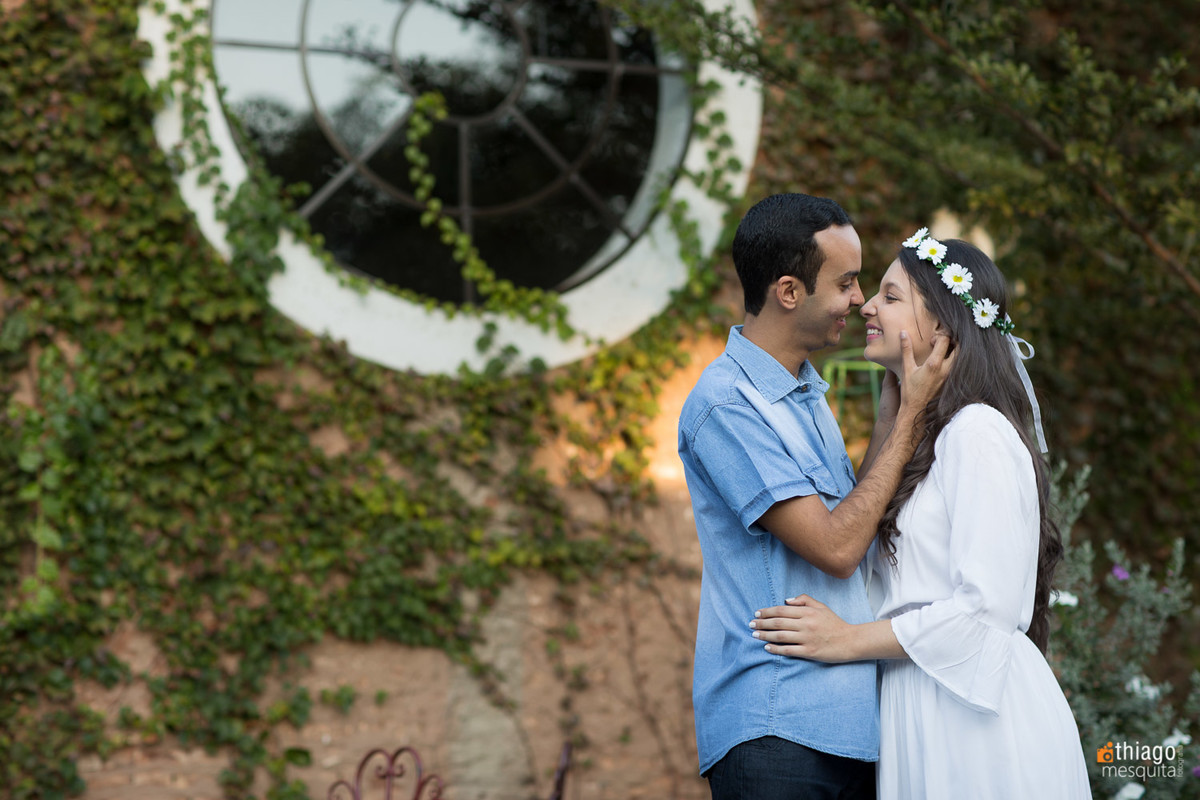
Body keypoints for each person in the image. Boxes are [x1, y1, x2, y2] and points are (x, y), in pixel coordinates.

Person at [750, 230, 1092, 799]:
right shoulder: (927, 442)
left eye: (889, 295)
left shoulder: (977, 432)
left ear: (942, 326)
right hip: (917, 703)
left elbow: (986, 609)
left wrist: (845, 640)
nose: (867, 305)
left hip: (972, 717)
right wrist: (895, 417)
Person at [677, 194, 952, 799]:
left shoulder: (802, 390)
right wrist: (912, 414)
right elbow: (835, 546)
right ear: (789, 291)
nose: (860, 301)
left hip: (850, 728)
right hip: (778, 729)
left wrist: (891, 407)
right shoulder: (727, 404)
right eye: (847, 282)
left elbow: (856, 515)